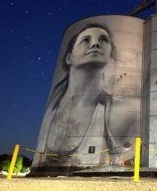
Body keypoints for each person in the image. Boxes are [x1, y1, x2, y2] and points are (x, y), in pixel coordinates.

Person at [34, 23, 138, 167]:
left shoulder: (121, 110)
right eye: (86, 40)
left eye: (103, 40)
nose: (95, 44)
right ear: (69, 58)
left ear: (110, 54)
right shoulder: (52, 109)